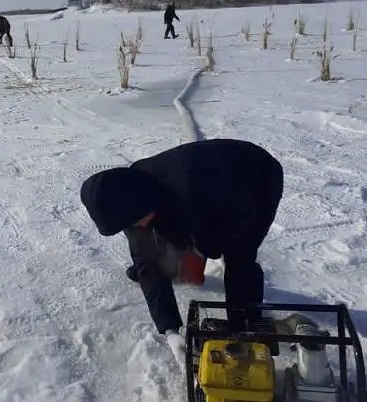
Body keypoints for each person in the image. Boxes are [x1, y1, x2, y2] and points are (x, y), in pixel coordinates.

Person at [79, 139, 283, 369]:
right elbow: (146, 256)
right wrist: (170, 330)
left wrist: (199, 251)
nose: (136, 226)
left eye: (136, 221)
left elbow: (238, 233)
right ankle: (170, 265)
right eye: (130, 224)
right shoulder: (128, 197)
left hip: (256, 179)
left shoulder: (192, 191)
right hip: (200, 184)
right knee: (153, 255)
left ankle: (246, 321)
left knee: (239, 256)